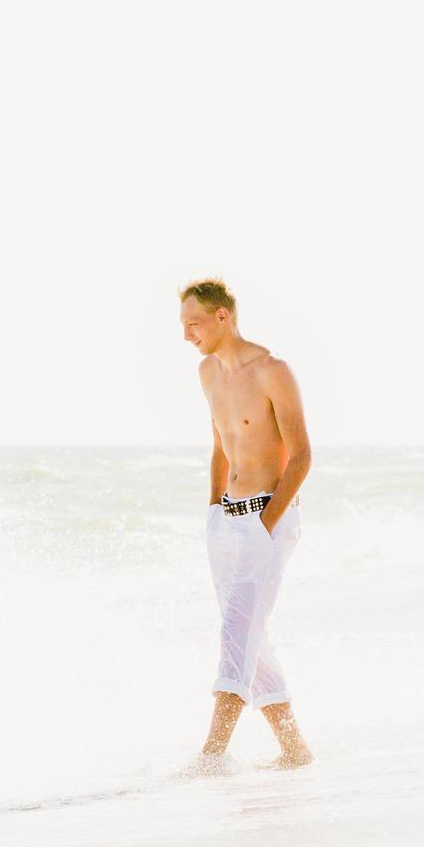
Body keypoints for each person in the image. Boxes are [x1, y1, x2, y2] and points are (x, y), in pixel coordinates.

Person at [179, 278, 314, 769]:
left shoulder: (272, 371)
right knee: (249, 634)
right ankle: (295, 750)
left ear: (223, 317)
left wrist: (264, 526)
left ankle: (212, 755)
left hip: (267, 519)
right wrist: (214, 510)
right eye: (183, 325)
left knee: (237, 631)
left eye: (194, 324)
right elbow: (220, 447)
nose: (187, 335)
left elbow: (301, 458)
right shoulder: (207, 374)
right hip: (226, 523)